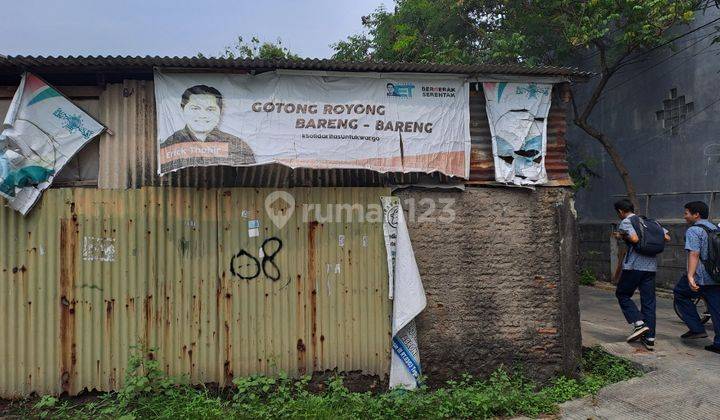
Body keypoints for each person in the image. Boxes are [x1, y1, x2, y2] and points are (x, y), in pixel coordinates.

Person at [612, 199, 670, 351]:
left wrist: (622, 236)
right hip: (650, 267)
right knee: (649, 302)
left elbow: (635, 239)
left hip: (634, 266)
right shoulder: (649, 222)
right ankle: (650, 338)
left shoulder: (626, 222)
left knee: (622, 294)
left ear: (620, 211)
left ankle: (639, 323)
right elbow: (666, 237)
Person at [161, 85, 255, 172]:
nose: (202, 115)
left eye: (210, 109)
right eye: (195, 108)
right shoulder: (168, 146)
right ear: (182, 109)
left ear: (220, 112)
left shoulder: (239, 146)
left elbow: (248, 178)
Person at [673, 201, 720, 354]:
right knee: (716, 308)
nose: (684, 216)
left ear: (696, 214)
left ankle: (696, 328)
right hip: (716, 274)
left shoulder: (694, 230)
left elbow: (694, 253)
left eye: (686, 213)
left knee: (680, 293)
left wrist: (690, 276)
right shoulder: (715, 227)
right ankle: (718, 343)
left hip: (702, 276)